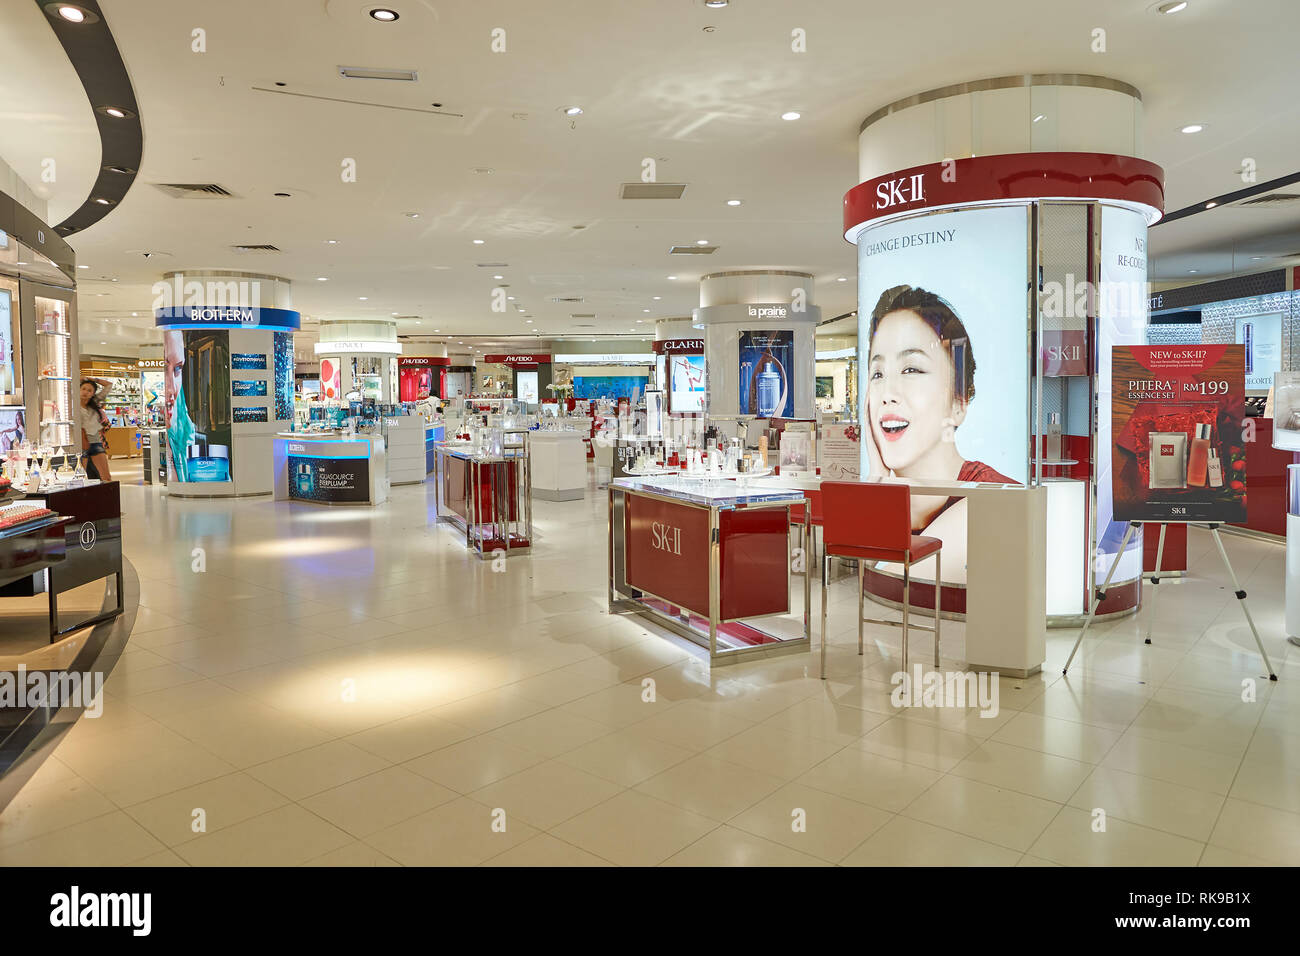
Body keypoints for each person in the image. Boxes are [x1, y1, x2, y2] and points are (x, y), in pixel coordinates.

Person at [864, 285, 1016, 584]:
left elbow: (887, 585)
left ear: (959, 402)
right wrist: (876, 478)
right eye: (878, 374)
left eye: (911, 369)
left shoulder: (989, 502)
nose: (888, 394)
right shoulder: (896, 502)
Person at [78, 377, 113, 482]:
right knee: (82, 477)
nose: (86, 392)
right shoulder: (72, 405)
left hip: (95, 441)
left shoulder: (94, 403)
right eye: (83, 389)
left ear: (93, 393)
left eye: (89, 390)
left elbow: (109, 385)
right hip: (80, 444)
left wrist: (93, 379)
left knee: (106, 477)